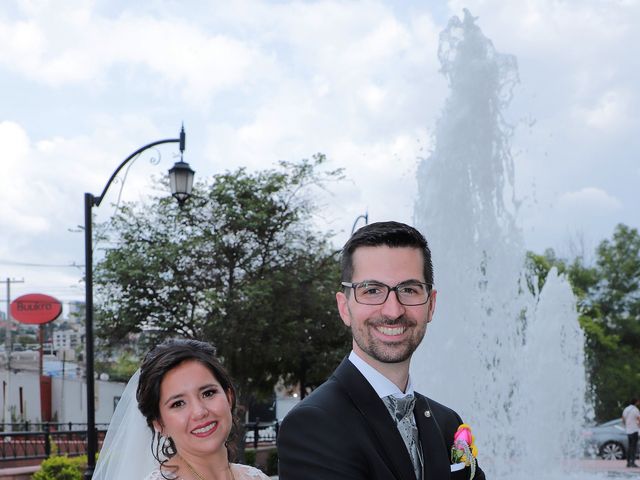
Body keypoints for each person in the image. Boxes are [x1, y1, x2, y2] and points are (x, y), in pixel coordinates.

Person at [277, 221, 485, 480]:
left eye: (409, 290)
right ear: (344, 308)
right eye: (372, 290)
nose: (393, 310)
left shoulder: (447, 423)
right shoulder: (312, 425)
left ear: (431, 305)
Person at [93, 339, 270, 480]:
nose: (200, 412)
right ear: (159, 424)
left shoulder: (255, 477)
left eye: (208, 393)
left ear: (229, 396)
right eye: (178, 403)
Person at [622, 398, 640, 468]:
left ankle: (628, 462)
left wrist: (627, 425)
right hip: (634, 430)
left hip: (628, 431)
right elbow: (639, 419)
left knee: (629, 447)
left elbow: (623, 419)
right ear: (636, 402)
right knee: (634, 447)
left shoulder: (626, 409)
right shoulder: (635, 410)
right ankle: (632, 462)